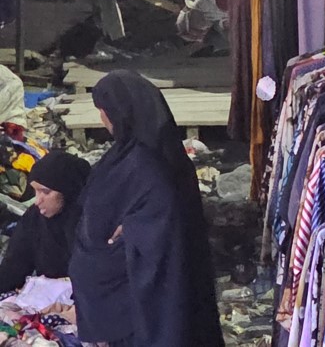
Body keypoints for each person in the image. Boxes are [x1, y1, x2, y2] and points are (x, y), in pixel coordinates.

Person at [71, 71, 223, 346]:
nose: (101, 119)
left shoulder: (148, 165)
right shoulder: (132, 156)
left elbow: (166, 223)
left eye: (103, 111)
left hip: (148, 303)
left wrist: (130, 231)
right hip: (131, 297)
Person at [0, 152, 90, 292]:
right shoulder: (34, 219)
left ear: (67, 190)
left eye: (45, 192)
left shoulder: (92, 222)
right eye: (35, 191)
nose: (38, 201)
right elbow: (14, 266)